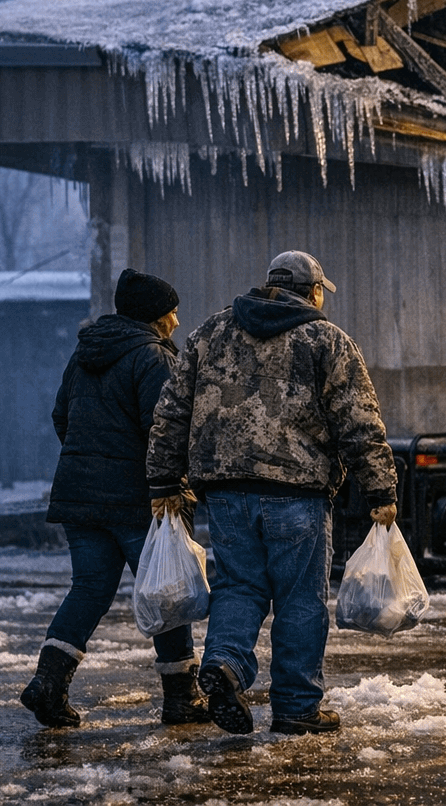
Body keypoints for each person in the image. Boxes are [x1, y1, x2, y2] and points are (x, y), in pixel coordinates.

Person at [146, 250, 397, 736]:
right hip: (297, 494)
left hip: (225, 493)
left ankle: (224, 665)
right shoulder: (326, 339)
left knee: (239, 587)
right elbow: (359, 421)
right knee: (300, 600)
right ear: (314, 291)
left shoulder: (209, 334)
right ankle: (296, 707)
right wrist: (380, 490)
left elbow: (171, 410)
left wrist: (163, 481)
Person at [21, 268, 211, 729]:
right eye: (172, 313)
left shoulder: (84, 353)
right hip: (138, 499)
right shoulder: (154, 358)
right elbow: (164, 432)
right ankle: (182, 697)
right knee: (168, 591)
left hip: (80, 494)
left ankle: (47, 683)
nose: (178, 322)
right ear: (154, 317)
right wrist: (171, 485)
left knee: (88, 590)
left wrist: (91, 460)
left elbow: (60, 417)